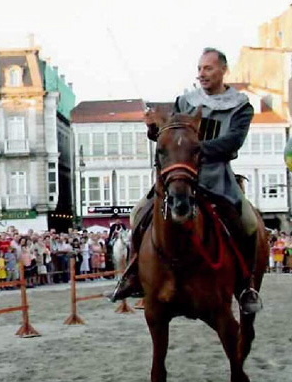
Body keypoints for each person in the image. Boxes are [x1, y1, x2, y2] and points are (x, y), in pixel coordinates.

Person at [112, 47, 262, 314]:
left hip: (217, 177)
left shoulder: (241, 106)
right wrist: (152, 128)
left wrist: (193, 149)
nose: (202, 74)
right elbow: (168, 136)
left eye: (208, 68)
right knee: (138, 213)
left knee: (249, 223)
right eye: (200, 68)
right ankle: (134, 275)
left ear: (223, 70)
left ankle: (246, 286)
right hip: (179, 177)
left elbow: (233, 143)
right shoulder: (185, 101)